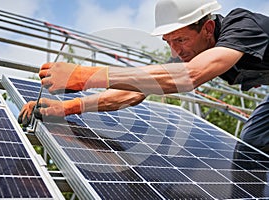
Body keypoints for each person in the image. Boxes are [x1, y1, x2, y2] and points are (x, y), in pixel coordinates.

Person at [18, 0, 269, 151]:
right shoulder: (188, 55)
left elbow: (190, 76)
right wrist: (68, 108)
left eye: (180, 39)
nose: (175, 51)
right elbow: (132, 92)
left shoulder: (242, 27)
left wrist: (86, 75)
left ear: (208, 28)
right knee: (253, 142)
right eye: (168, 41)